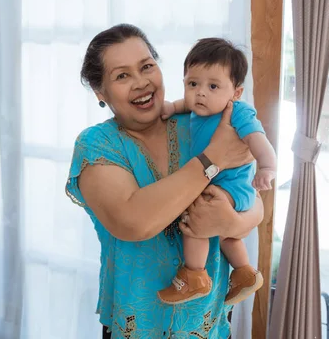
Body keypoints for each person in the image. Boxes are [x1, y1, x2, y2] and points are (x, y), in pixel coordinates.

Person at [65, 24, 264, 339]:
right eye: (122, 76)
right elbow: (133, 221)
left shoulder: (199, 122)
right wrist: (213, 157)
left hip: (208, 326)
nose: (141, 82)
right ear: (100, 93)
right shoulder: (97, 144)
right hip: (137, 327)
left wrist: (231, 222)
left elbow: (252, 200)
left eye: (146, 67)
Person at [158, 38, 276, 306]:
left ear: (235, 93)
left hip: (233, 188)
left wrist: (267, 167)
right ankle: (245, 272)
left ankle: (194, 276)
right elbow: (184, 104)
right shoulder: (201, 107)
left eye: (213, 86)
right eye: (192, 83)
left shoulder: (238, 113)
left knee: (196, 220)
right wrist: (171, 107)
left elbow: (259, 141)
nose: (200, 93)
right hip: (222, 185)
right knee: (224, 234)